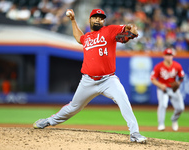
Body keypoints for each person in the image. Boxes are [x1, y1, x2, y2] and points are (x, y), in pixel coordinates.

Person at [33, 8, 147, 143]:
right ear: (90, 20)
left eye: (101, 18)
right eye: (96, 17)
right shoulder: (86, 37)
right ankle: (48, 121)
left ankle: (134, 133)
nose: (99, 19)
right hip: (88, 81)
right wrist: (73, 20)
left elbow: (130, 30)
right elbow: (78, 38)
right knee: (73, 107)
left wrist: (132, 29)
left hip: (108, 80)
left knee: (124, 101)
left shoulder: (110, 30)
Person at [150, 48, 185, 131]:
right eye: (167, 55)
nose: (169, 57)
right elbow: (152, 78)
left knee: (180, 108)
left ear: (172, 56)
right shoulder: (159, 66)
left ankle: (174, 119)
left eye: (170, 55)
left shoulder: (177, 65)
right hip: (163, 89)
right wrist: (160, 85)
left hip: (173, 89)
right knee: (163, 105)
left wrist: (178, 83)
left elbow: (181, 77)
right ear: (164, 56)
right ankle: (161, 124)